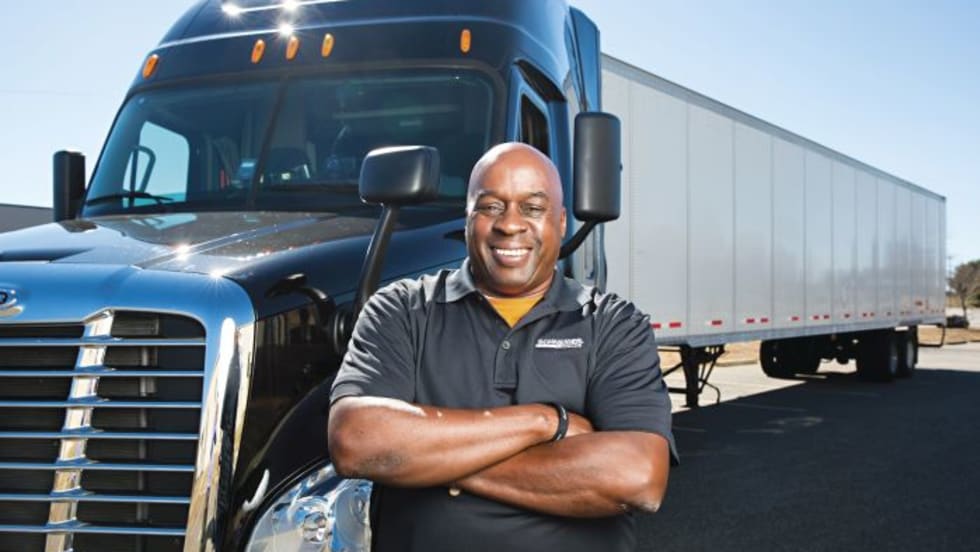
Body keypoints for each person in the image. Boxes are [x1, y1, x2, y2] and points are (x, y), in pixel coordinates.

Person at [327, 142, 676, 551]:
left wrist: (434, 461)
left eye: (532, 208)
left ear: (561, 221)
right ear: (468, 217)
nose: (510, 225)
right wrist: (546, 422)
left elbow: (637, 478)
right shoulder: (401, 309)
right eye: (491, 206)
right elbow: (356, 442)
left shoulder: (614, 324)